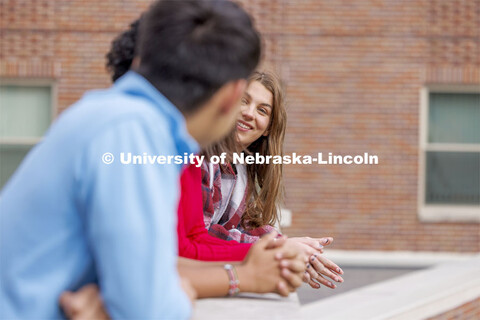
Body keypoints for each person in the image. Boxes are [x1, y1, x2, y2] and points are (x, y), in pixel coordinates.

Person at [0, 1, 303, 319]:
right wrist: (190, 290)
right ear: (231, 96)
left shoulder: (109, 116)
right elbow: (151, 310)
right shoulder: (134, 134)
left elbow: (152, 269)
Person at [202, 70, 345, 289]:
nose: (249, 113)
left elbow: (246, 228)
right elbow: (202, 235)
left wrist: (292, 252)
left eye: (262, 110)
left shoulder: (242, 170)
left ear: (268, 127)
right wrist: (280, 248)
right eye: (244, 101)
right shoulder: (202, 157)